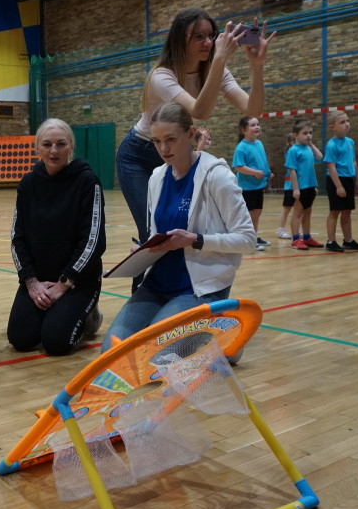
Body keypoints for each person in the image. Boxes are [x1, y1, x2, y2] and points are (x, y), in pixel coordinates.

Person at [102, 103, 255, 352]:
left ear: (191, 133)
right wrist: (143, 250)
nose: (163, 148)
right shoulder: (156, 178)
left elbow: (248, 239)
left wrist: (195, 239)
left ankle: (214, 332)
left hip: (198, 289)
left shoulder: (217, 176)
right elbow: (158, 234)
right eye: (156, 141)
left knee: (158, 358)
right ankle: (208, 334)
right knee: (112, 352)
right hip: (156, 285)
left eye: (171, 139)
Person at [115, 8, 274, 248]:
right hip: (139, 155)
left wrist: (257, 66)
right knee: (151, 232)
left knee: (176, 229)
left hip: (174, 155)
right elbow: (200, 112)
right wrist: (219, 60)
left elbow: (253, 109)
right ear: (180, 40)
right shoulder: (162, 75)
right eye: (198, 37)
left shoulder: (215, 69)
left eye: (211, 35)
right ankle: (145, 286)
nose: (208, 42)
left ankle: (177, 284)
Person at [9, 119, 106, 357]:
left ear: (71, 146)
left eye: (61, 144)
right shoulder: (28, 184)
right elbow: (17, 238)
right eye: (47, 144)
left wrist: (65, 283)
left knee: (55, 342)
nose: (54, 151)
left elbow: (93, 242)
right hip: (39, 280)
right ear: (37, 148)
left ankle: (89, 313)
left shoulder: (87, 181)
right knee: (20, 339)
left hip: (77, 280)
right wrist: (31, 283)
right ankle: (59, 310)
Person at [322, 111, 358, 252]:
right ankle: (331, 241)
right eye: (342, 122)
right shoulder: (331, 145)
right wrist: (339, 186)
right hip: (336, 181)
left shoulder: (350, 142)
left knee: (347, 212)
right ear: (332, 127)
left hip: (349, 179)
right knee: (335, 211)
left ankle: (348, 240)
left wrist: (357, 179)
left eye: (347, 121)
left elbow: (353, 161)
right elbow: (331, 166)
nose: (346, 124)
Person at [231, 116, 272, 249]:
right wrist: (255, 172)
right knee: (248, 214)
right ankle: (247, 240)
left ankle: (253, 236)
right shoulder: (242, 147)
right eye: (253, 125)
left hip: (258, 186)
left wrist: (267, 172)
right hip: (247, 187)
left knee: (257, 212)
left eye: (258, 124)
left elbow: (262, 161)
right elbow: (238, 166)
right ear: (244, 130)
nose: (257, 127)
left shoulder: (259, 144)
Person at [285, 119, 323, 250]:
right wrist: (295, 189)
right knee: (297, 213)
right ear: (296, 135)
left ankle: (307, 237)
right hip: (300, 188)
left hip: (310, 186)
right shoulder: (293, 150)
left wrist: (311, 145)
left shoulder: (308, 148)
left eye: (310, 133)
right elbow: (292, 170)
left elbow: (320, 156)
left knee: (307, 213)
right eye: (305, 133)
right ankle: (295, 239)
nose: (309, 136)